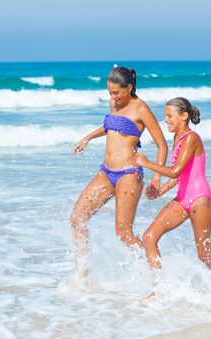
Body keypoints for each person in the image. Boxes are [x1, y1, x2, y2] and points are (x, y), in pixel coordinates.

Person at [70, 67, 168, 282]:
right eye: (110, 92)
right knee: (77, 218)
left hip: (129, 175)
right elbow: (109, 126)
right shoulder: (114, 104)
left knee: (124, 234)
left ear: (130, 87)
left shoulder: (141, 108)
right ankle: (83, 272)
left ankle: (158, 277)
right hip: (106, 173)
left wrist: (156, 177)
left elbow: (162, 145)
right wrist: (87, 137)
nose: (113, 97)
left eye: (117, 92)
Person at [136, 97, 211, 290]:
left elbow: (175, 170)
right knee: (149, 237)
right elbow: (178, 177)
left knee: (204, 254)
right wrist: (159, 192)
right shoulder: (178, 138)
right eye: (165, 116)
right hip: (183, 199)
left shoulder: (192, 138)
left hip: (200, 199)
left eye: (169, 115)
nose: (166, 120)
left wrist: (147, 163)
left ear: (184, 116)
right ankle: (158, 290)